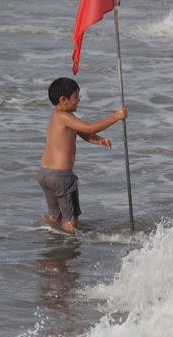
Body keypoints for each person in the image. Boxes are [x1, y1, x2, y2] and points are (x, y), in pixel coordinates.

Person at [38, 77, 127, 234]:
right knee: (71, 221)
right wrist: (116, 117)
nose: (79, 100)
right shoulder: (66, 117)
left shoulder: (57, 116)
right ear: (63, 100)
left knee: (55, 217)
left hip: (45, 174)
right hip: (61, 177)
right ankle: (66, 248)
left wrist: (99, 141)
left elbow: (84, 133)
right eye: (76, 97)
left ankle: (45, 237)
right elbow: (90, 127)